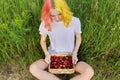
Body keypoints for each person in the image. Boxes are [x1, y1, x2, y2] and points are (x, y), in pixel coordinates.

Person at [29, 0, 94, 80]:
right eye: (52, 15)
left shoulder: (74, 21)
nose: (56, 18)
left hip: (71, 57)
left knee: (89, 72)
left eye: (59, 14)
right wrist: (47, 54)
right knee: (33, 68)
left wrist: (75, 52)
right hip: (53, 56)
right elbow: (43, 41)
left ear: (64, 10)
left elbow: (78, 38)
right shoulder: (46, 22)